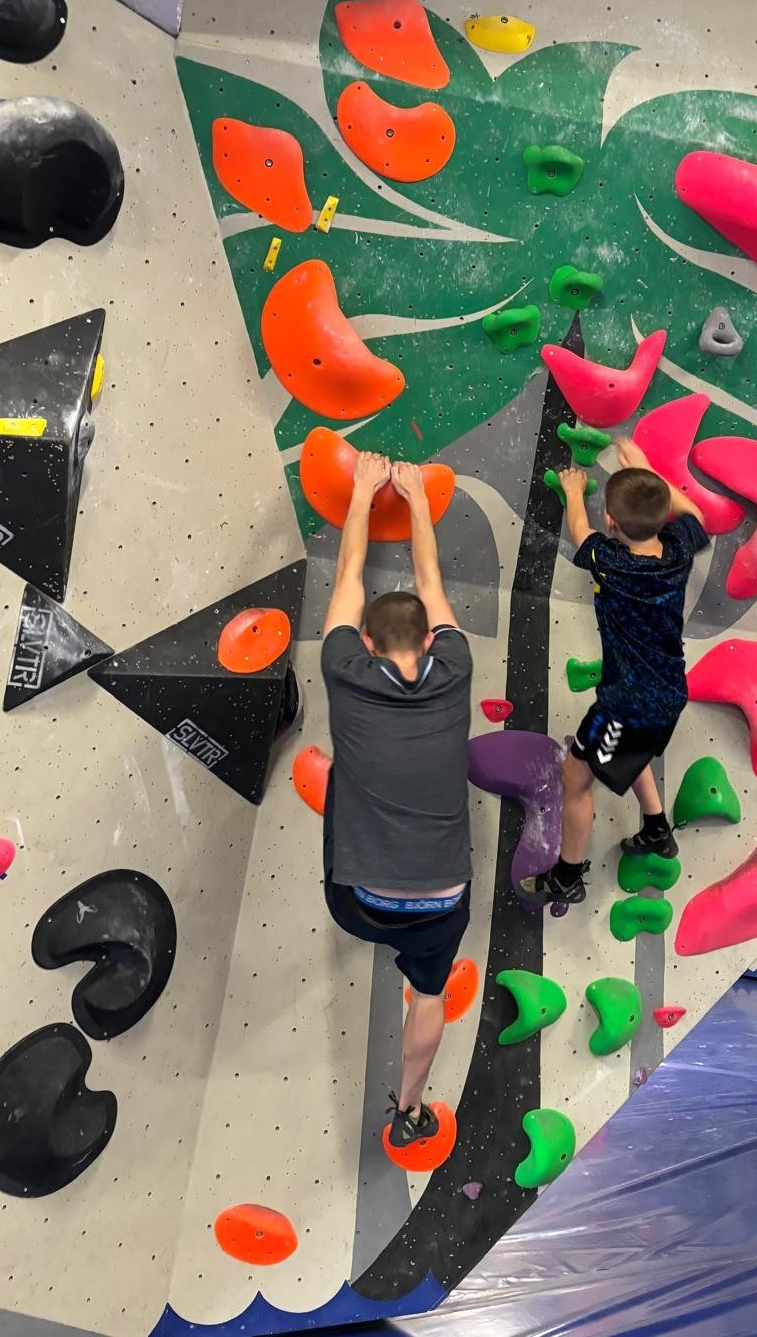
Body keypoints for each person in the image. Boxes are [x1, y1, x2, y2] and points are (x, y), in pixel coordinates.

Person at [320, 451, 473, 1149]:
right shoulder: (458, 665)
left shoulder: (342, 667)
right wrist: (416, 497)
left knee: (341, 777)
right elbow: (430, 580)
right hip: (440, 901)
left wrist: (363, 493)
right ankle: (409, 1110)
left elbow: (349, 576)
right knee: (430, 994)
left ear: (366, 644)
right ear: (432, 642)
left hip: (359, 903)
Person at [521, 438, 711, 906]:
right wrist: (648, 468)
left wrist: (572, 490)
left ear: (611, 521)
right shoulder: (678, 550)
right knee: (633, 749)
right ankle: (656, 827)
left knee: (576, 778)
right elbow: (695, 515)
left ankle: (567, 876)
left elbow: (579, 529)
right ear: (663, 517)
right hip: (669, 695)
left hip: (625, 707)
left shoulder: (609, 561)